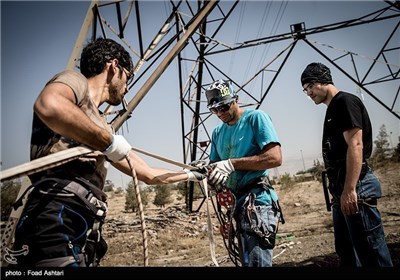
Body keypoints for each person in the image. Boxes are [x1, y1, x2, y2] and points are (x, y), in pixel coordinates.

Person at [10, 38, 205, 267]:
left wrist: (191, 174)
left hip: (80, 225)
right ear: (113, 67)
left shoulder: (102, 126)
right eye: (128, 77)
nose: (128, 87)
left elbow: (148, 174)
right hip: (54, 215)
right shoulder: (76, 82)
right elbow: (50, 105)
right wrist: (108, 142)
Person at [300, 62, 393, 267]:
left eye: (308, 88)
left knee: (370, 252)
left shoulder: (345, 102)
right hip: (343, 188)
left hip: (356, 186)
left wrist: (351, 189)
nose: (308, 94)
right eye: (305, 90)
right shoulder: (333, 107)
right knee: (347, 249)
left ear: (320, 82)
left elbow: (356, 144)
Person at [204, 79, 284, 267]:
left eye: (223, 107)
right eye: (215, 110)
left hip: (256, 204)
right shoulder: (217, 133)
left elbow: (274, 157)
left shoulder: (255, 118)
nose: (220, 113)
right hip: (236, 206)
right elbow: (215, 167)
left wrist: (232, 164)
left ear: (235, 99)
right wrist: (207, 175)